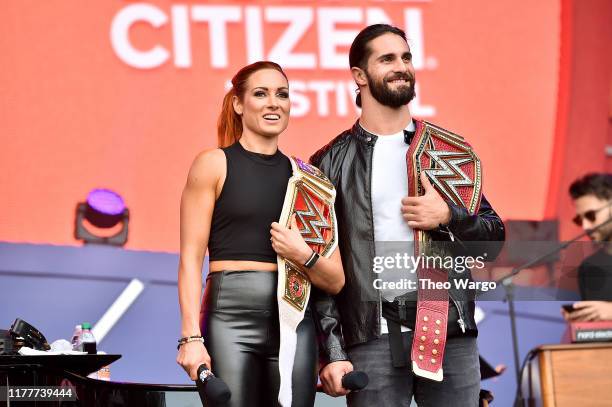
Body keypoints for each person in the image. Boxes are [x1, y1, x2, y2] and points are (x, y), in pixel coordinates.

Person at [309, 24, 505, 406]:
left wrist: (449, 215)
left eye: (406, 57)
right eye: (387, 59)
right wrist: (331, 351)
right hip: (374, 334)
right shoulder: (329, 162)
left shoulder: (445, 151)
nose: (401, 67)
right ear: (359, 76)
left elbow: (492, 241)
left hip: (447, 330)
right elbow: (320, 270)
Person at [176, 61, 345, 407]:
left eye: (282, 94)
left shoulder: (311, 181)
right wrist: (190, 337)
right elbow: (191, 260)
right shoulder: (213, 163)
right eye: (261, 93)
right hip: (229, 317)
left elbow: (336, 279)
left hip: (295, 319)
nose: (274, 103)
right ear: (238, 104)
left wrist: (303, 254)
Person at [562, 173, 612, 322]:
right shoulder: (589, 267)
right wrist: (582, 322)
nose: (585, 226)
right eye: (579, 219)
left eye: (591, 215)